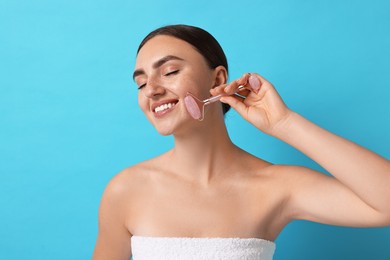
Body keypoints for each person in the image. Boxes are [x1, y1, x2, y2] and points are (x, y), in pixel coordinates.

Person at [92, 24, 390, 260]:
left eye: (169, 72)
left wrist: (284, 123)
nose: (152, 90)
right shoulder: (126, 191)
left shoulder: (276, 186)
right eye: (141, 83)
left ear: (216, 78)